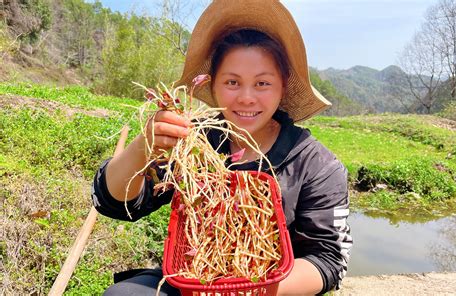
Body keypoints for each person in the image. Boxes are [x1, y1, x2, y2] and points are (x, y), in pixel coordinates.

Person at [91, 0, 352, 295]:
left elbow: (328, 260)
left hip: (271, 288)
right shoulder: (194, 142)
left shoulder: (316, 163)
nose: (246, 98)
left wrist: (245, 290)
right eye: (232, 82)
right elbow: (115, 204)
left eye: (262, 83)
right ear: (213, 85)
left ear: (283, 85)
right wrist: (144, 145)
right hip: (192, 278)